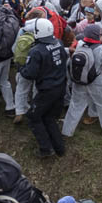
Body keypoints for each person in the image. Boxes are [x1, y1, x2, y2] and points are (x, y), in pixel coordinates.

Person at [18, 17, 68, 158]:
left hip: (47, 90)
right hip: (60, 86)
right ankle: (59, 147)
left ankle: (46, 148)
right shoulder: (59, 43)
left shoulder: (36, 51)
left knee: (33, 116)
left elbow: (30, 74)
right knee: (49, 117)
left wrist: (21, 68)